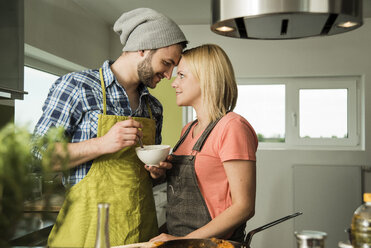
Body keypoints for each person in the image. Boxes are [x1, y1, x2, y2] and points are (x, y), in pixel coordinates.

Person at [33, 8, 187, 247]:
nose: (168, 75)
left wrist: (157, 172)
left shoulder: (153, 107)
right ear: (143, 49)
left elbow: (146, 175)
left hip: (140, 234)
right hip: (86, 233)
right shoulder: (77, 87)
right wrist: (102, 143)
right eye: (166, 63)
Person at [150, 44, 258, 243]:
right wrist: (160, 173)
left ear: (206, 78)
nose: (173, 83)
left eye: (181, 75)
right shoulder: (187, 130)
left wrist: (183, 242)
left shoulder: (232, 127)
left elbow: (244, 207)